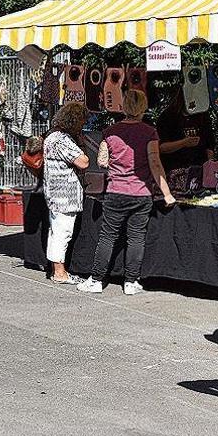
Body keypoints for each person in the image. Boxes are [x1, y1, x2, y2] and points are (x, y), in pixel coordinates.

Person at [78, 90, 174, 295]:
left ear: (123, 106)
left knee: (107, 236)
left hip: (115, 192)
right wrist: (167, 193)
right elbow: (155, 164)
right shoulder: (150, 132)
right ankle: (131, 282)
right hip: (141, 193)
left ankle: (96, 280)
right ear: (143, 107)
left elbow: (102, 161)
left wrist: (116, 160)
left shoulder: (110, 132)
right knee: (136, 238)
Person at [42, 102, 90, 285]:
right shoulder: (62, 140)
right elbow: (83, 162)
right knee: (63, 232)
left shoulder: (51, 136)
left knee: (56, 231)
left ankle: (56, 269)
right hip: (65, 194)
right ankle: (60, 272)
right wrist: (82, 143)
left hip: (54, 191)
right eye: (81, 122)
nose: (82, 126)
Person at [156, 89, 215, 171]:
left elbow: (209, 144)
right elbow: (162, 147)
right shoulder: (167, 117)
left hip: (199, 167)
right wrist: (183, 143)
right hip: (176, 169)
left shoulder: (202, 115)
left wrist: (209, 166)